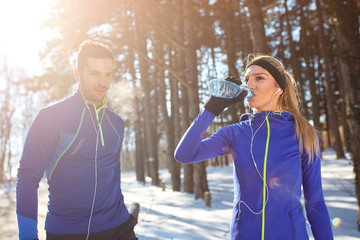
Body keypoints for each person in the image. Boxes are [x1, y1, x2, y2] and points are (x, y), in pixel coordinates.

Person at [174, 54, 334, 240]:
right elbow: (184, 154)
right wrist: (211, 108)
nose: (250, 85)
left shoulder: (303, 133)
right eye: (247, 79)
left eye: (259, 78)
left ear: (279, 87)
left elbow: (315, 204)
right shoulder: (234, 133)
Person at [16, 40, 138, 240]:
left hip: (119, 228)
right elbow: (28, 176)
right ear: (77, 74)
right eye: (94, 73)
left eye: (108, 74)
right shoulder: (51, 118)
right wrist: (28, 236)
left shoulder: (116, 124)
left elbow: (112, 177)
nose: (103, 82)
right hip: (69, 232)